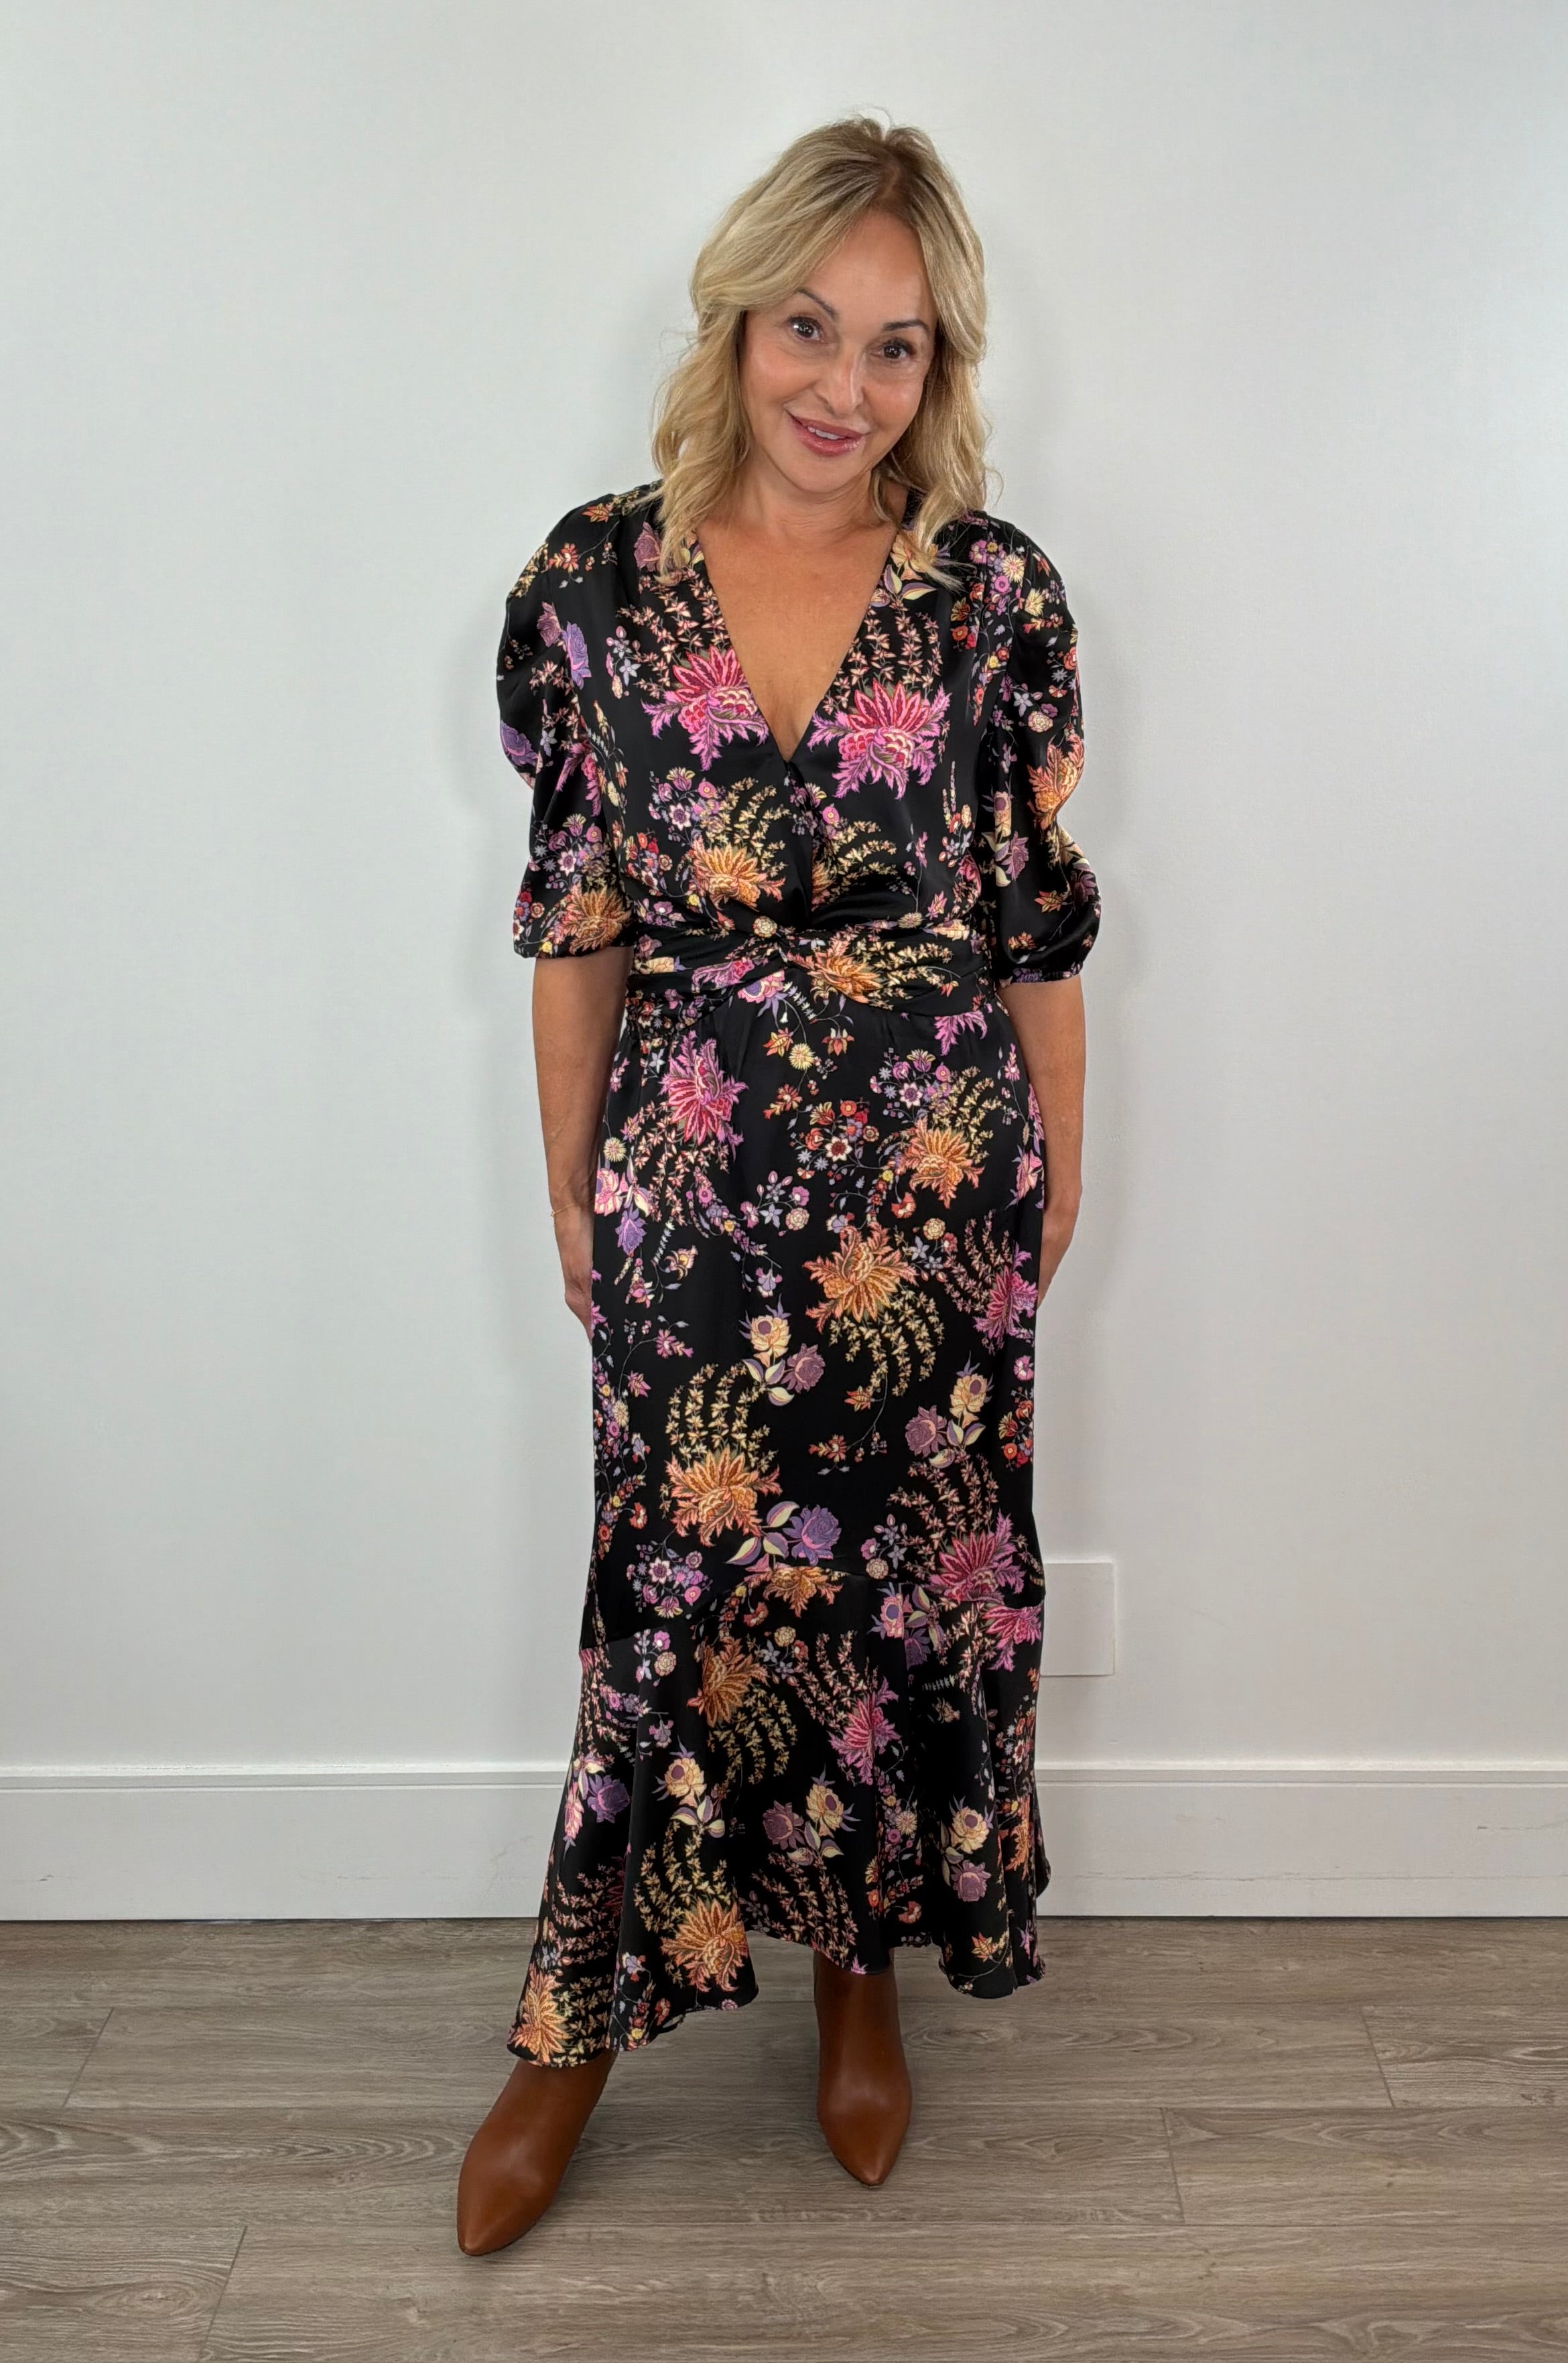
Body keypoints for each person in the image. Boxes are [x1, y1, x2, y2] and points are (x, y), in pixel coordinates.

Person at [458, 112, 1100, 2256]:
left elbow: (1033, 923)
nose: (846, 386)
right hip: (692, 1213)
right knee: (679, 1595)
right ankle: (570, 2029)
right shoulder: (597, 584)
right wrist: (571, 1190)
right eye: (809, 328)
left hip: (937, 1209)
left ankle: (858, 1971)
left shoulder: (994, 599)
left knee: (904, 1586)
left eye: (898, 347)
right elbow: (572, 919)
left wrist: (1056, 1179)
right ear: (735, 320)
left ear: (945, 370)